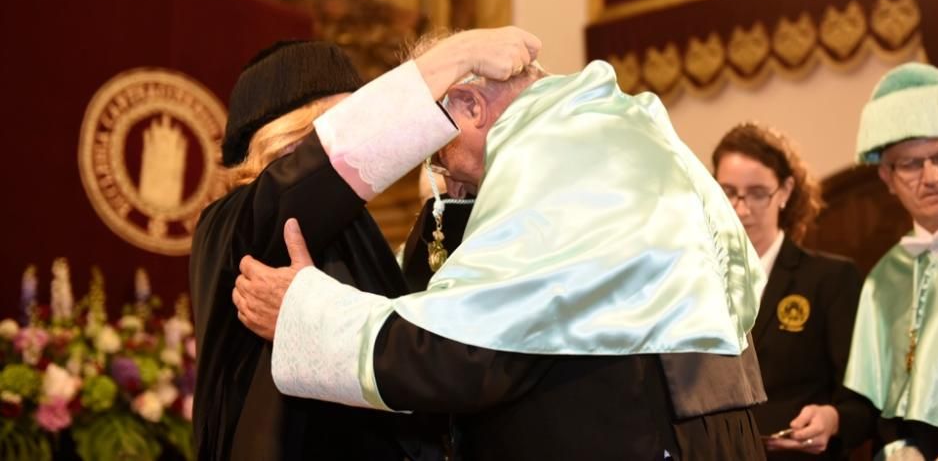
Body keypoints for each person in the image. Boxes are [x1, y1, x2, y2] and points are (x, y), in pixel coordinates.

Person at [233, 52, 770, 460]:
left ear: (469, 105)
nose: (444, 174)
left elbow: (468, 352)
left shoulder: (555, 154)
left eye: (437, 149)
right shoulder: (608, 128)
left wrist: (303, 311)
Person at [190, 29, 539, 460]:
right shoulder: (232, 225)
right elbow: (324, 167)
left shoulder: (345, 224)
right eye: (352, 117)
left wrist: (458, 197)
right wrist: (457, 57)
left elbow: (415, 324)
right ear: (291, 134)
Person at [777, 62, 938, 460]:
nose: (930, 176)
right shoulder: (884, 276)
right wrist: (836, 419)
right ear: (886, 178)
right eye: (911, 163)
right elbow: (873, 403)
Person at [712, 123, 864, 459]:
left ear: (784, 190)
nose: (740, 208)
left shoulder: (830, 279)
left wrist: (832, 419)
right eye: (728, 192)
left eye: (757, 193)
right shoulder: (697, 281)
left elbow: (862, 402)